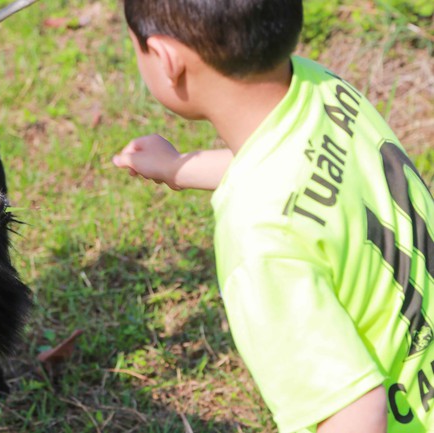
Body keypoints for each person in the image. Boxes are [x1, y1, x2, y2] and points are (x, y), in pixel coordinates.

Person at [112, 1, 434, 432]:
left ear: (168, 60)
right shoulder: (322, 86)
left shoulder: (258, 240)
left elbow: (356, 412)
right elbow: (295, 169)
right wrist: (178, 168)